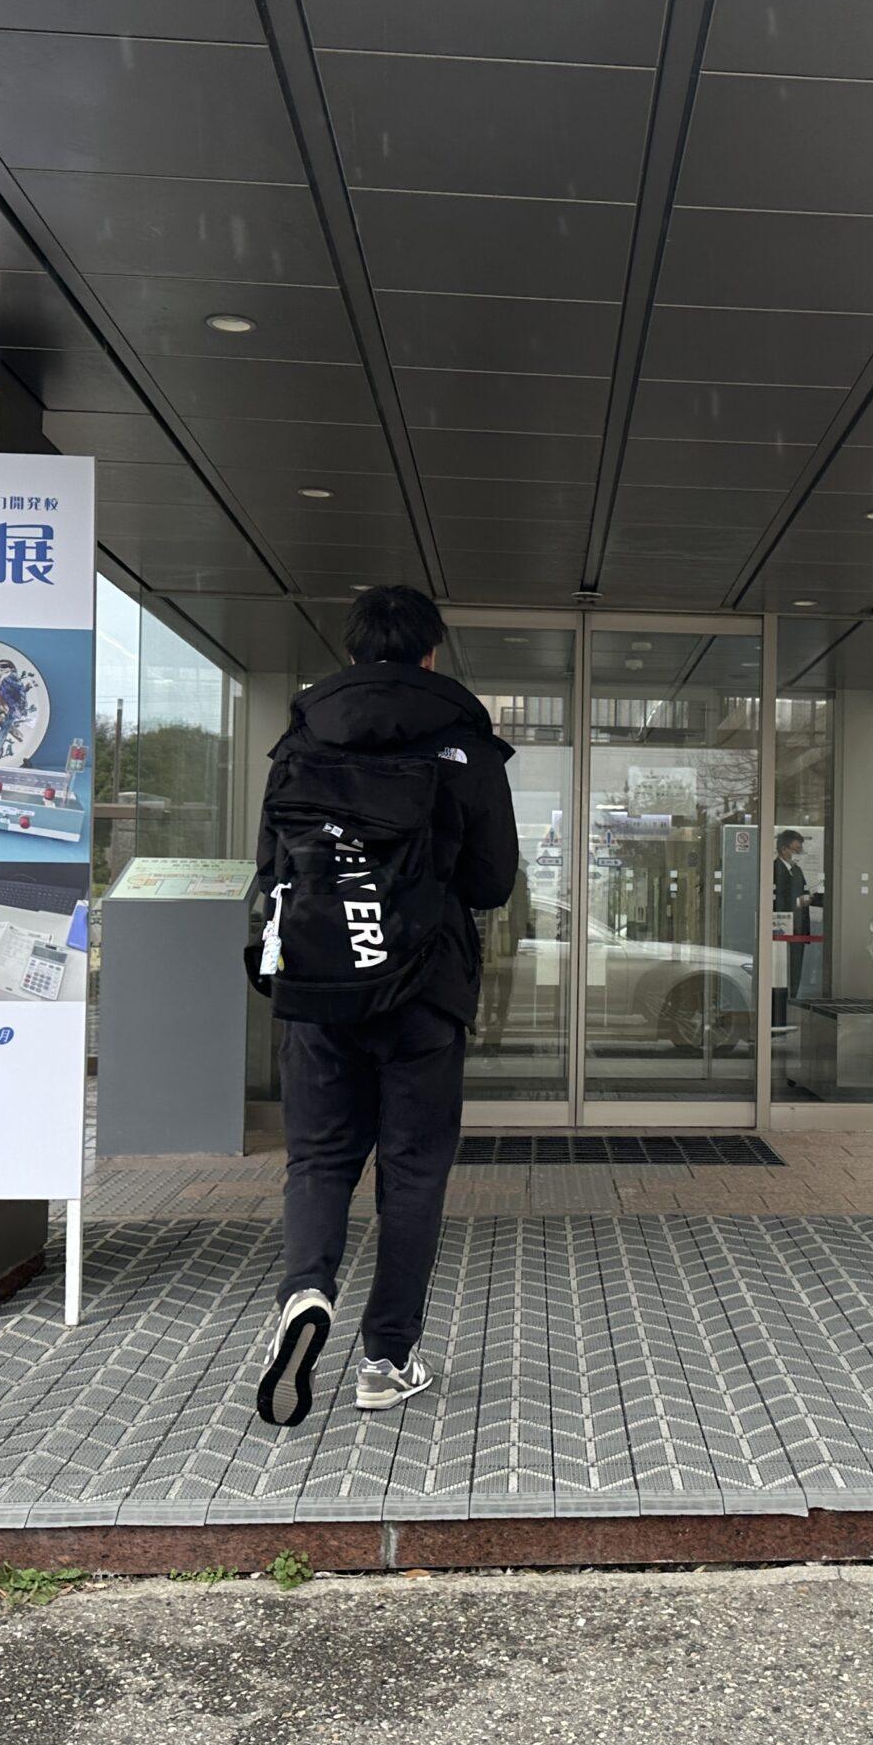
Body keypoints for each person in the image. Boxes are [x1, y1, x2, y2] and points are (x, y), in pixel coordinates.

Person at [252, 586, 518, 1427]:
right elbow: (492, 882)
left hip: (317, 984)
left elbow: (271, 864)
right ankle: (386, 1359)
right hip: (424, 990)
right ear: (431, 652)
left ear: (353, 649)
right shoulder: (466, 746)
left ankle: (305, 1293)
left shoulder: (301, 737)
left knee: (319, 1159)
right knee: (411, 1172)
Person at [772, 829, 809, 1017]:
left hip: (798, 929)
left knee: (795, 972)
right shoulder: (773, 869)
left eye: (800, 850)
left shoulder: (797, 870)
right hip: (781, 930)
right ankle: (777, 1013)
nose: (799, 853)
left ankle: (789, 1009)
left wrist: (810, 899)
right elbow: (778, 899)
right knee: (779, 975)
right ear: (784, 849)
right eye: (796, 850)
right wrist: (798, 902)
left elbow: (803, 892)